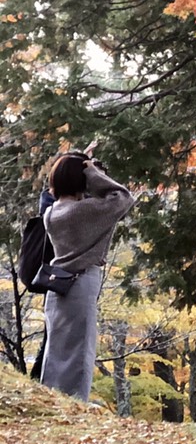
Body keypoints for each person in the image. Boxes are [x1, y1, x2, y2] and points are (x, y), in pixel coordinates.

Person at [39, 148, 135, 401]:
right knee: (81, 350)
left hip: (57, 285)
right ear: (81, 180)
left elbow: (49, 196)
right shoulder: (82, 212)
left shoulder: (52, 212)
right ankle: (75, 403)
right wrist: (94, 173)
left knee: (57, 350)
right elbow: (123, 197)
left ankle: (54, 400)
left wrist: (78, 162)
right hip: (81, 282)